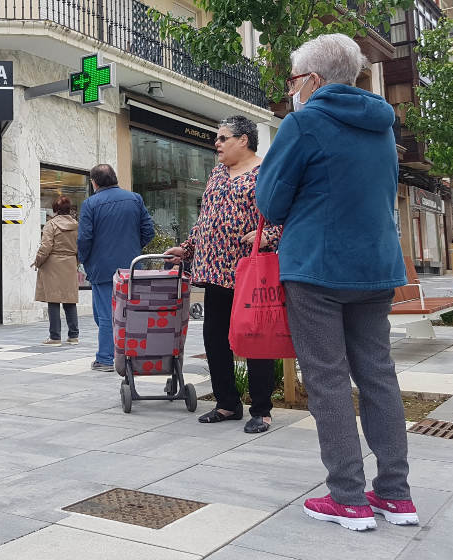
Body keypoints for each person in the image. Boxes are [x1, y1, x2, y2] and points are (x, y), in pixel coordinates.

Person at [257, 34, 417, 531]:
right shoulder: (382, 127)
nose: (292, 90)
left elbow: (269, 202)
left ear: (312, 80)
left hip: (318, 268)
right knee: (378, 374)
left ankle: (347, 497)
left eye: (293, 80)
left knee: (327, 379)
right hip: (375, 266)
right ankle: (395, 494)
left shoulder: (304, 122)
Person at [164, 115, 281, 434]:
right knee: (215, 338)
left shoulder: (265, 171)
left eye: (223, 138)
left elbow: (287, 214)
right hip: (213, 269)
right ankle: (227, 403)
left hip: (248, 269)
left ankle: (262, 409)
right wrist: (187, 247)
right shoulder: (216, 172)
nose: (216, 143)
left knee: (256, 339)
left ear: (243, 140)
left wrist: (269, 236)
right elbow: (205, 218)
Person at [78, 164, 155, 372]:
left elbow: (84, 238)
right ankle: (131, 352)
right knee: (131, 311)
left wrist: (83, 259)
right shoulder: (135, 199)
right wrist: (134, 248)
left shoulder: (90, 204)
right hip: (131, 267)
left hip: (102, 269)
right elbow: (149, 230)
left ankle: (105, 359)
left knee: (104, 315)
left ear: (94, 182)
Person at [33, 196, 80, 345]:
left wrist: (37, 261)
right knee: (70, 300)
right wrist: (76, 262)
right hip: (70, 262)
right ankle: (73, 336)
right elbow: (82, 246)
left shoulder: (50, 225)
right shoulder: (77, 225)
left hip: (53, 264)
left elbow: (46, 247)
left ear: (55, 209)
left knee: (53, 300)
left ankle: (55, 337)